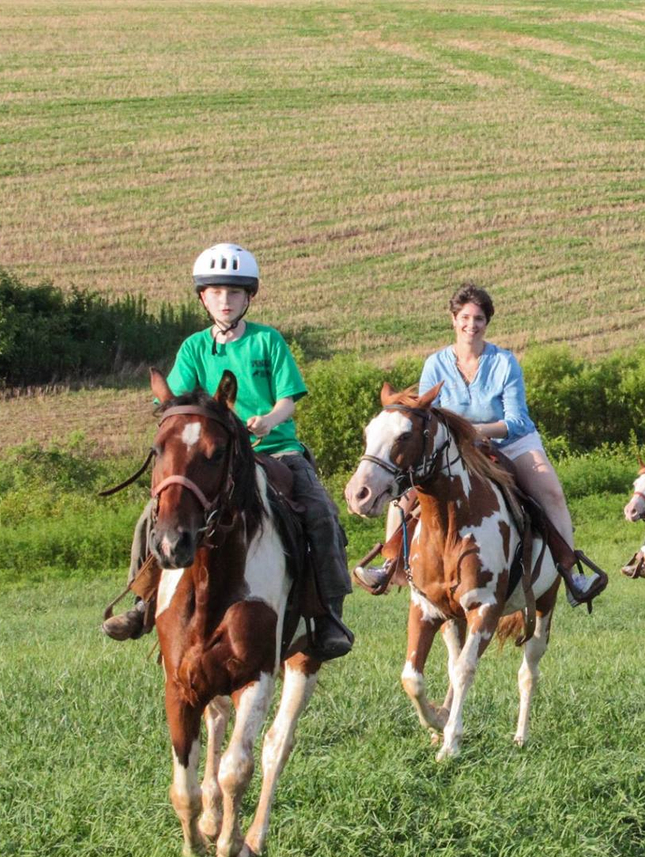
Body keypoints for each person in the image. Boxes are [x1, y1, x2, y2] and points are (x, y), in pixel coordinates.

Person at [101, 244, 354, 660]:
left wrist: (270, 419)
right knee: (151, 515)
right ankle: (143, 603)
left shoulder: (267, 341)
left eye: (234, 293)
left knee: (321, 514)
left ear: (248, 297)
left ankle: (329, 615)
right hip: (213, 457)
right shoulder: (194, 349)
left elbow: (289, 398)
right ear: (203, 297)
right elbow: (176, 405)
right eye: (216, 292)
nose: (225, 300)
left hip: (276, 450)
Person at [354, 285, 606, 606]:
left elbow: (515, 420)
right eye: (465, 318)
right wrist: (456, 438)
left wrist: (478, 430)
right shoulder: (435, 364)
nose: (471, 325)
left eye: (479, 319)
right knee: (404, 496)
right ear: (453, 319)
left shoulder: (504, 362)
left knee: (551, 493)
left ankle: (572, 575)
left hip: (512, 442)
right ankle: (390, 565)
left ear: (487, 323)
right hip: (454, 448)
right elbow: (426, 416)